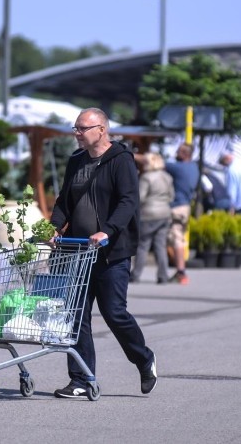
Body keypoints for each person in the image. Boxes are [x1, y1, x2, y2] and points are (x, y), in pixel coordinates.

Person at [49, 107, 157, 398]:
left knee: (114, 313)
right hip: (78, 251)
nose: (77, 133)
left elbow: (128, 201)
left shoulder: (121, 161)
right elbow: (64, 200)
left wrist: (107, 230)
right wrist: (56, 227)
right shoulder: (76, 161)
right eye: (75, 128)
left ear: (101, 130)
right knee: (76, 316)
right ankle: (81, 380)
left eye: (82, 128)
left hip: (111, 252)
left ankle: (144, 359)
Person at [131, 152, 174, 284]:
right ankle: (163, 275)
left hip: (149, 214)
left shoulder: (146, 177)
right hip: (165, 213)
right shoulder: (167, 177)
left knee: (143, 246)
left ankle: (136, 274)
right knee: (160, 246)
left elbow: (140, 197)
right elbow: (172, 196)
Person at [164, 143, 200, 284]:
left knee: (176, 238)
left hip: (177, 206)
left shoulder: (178, 168)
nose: (175, 154)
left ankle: (181, 272)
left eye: (178, 151)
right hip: (186, 207)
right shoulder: (194, 167)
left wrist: (133, 155)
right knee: (180, 237)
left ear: (185, 154)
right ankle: (180, 270)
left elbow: (157, 162)